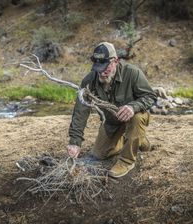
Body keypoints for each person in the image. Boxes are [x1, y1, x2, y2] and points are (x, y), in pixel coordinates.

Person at [67, 42, 157, 178]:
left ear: (115, 61)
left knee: (137, 118)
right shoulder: (89, 80)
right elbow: (81, 111)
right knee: (99, 154)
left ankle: (127, 160)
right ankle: (136, 139)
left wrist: (133, 107)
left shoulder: (132, 73)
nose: (102, 72)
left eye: (105, 67)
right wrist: (75, 141)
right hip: (111, 123)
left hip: (134, 118)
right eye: (98, 67)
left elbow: (150, 96)